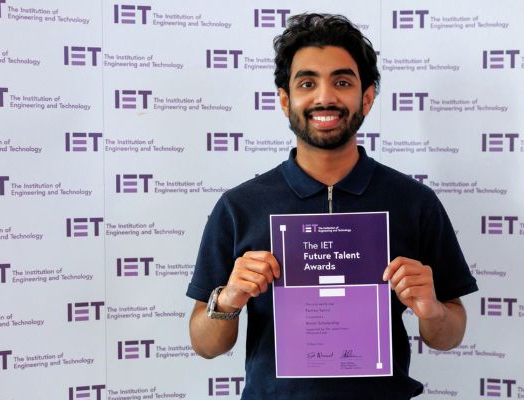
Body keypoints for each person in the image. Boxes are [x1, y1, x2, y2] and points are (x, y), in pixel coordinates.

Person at [186, 13, 478, 399]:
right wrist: (228, 300)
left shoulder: (414, 202)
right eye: (308, 83)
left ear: (367, 98)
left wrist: (432, 311)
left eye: (342, 82)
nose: (325, 97)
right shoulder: (239, 206)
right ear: (285, 100)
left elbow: (449, 335)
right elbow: (206, 345)